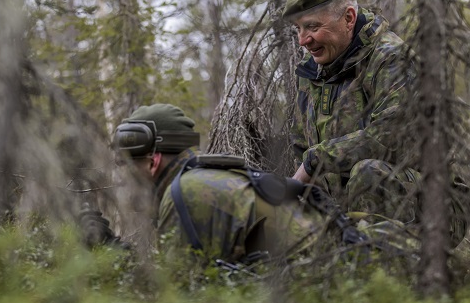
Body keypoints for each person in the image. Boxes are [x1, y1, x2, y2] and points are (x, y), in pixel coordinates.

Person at [282, 0, 470, 247]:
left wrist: (315, 160)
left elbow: (390, 137)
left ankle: (388, 274)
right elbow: (301, 147)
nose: (303, 40)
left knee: (369, 172)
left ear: (348, 18)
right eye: (298, 29)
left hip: (432, 203)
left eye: (312, 27)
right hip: (349, 204)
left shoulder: (392, 58)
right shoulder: (311, 71)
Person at [79, 103, 369, 264]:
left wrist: (102, 246)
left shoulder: (189, 192)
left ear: (153, 162)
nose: (121, 178)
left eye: (126, 166)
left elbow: (170, 294)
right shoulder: (205, 178)